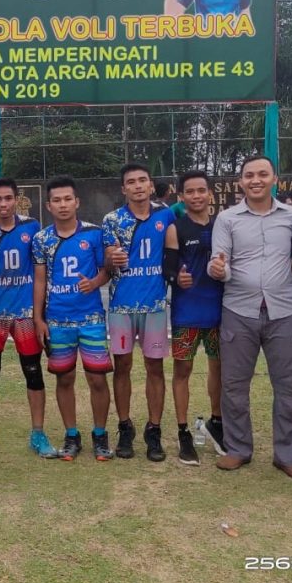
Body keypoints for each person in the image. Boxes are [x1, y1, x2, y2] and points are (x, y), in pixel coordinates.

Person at [210, 155, 292, 481]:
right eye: (249, 175)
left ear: (274, 179)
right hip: (239, 310)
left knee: (291, 388)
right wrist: (218, 269)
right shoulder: (227, 219)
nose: (256, 180)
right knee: (234, 386)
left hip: (284, 311)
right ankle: (238, 449)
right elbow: (220, 262)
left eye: (262, 174)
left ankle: (288, 456)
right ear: (241, 182)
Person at [0, 178, 56, 459]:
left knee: (33, 372)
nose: (3, 204)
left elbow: (41, 269)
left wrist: (42, 313)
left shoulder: (31, 227)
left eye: (8, 198)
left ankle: (38, 433)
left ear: (17, 199)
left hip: (26, 314)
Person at [33, 176, 112, 461]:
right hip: (57, 320)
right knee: (64, 379)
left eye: (68, 199)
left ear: (77, 202)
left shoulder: (94, 234)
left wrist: (95, 282)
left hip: (90, 318)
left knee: (97, 379)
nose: (63, 204)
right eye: (57, 200)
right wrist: (38, 318)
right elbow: (40, 281)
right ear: (49, 205)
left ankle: (100, 435)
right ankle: (71, 435)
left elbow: (107, 270)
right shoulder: (42, 239)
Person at [102, 163, 177, 463]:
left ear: (150, 185)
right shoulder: (112, 220)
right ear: (123, 189)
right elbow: (107, 262)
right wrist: (112, 258)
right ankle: (124, 427)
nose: (137, 186)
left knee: (155, 369)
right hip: (121, 307)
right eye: (130, 182)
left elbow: (174, 252)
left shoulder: (166, 214)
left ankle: (154, 430)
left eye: (142, 180)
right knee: (122, 368)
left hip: (155, 307)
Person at [169, 170, 227, 465]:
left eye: (201, 190)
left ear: (210, 194)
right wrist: (176, 278)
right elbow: (167, 268)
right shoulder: (175, 228)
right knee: (183, 371)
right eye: (189, 191)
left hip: (220, 310)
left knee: (218, 368)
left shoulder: (224, 225)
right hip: (186, 312)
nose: (196, 196)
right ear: (181, 196)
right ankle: (183, 433)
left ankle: (217, 422)